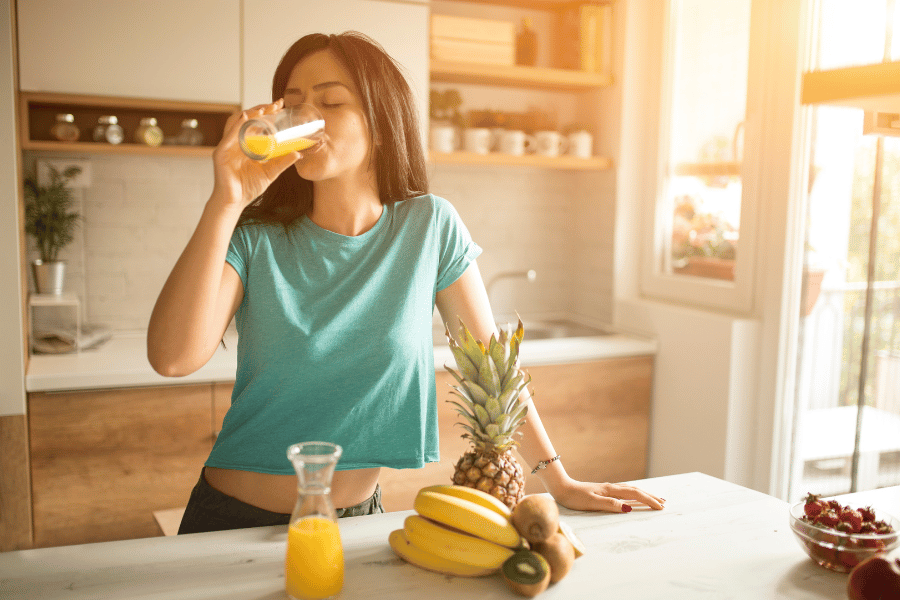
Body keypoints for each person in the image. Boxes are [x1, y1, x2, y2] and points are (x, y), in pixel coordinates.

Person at [147, 31, 664, 534]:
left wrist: (559, 481)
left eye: (330, 102)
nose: (307, 119)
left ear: (381, 119)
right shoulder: (256, 237)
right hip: (231, 521)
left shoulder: (429, 227)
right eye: (294, 104)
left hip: (358, 522)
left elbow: (490, 371)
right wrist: (227, 200)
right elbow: (172, 358)